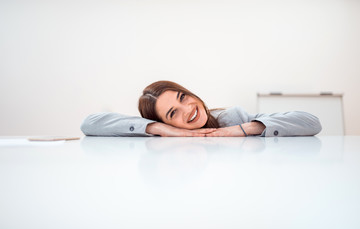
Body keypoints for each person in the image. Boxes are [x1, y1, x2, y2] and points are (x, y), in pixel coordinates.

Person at [80, 81, 322, 137]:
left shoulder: (230, 117)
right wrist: (162, 130)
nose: (188, 109)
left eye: (183, 97)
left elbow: (311, 122)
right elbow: (90, 123)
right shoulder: (159, 134)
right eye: (173, 113)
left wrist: (240, 130)